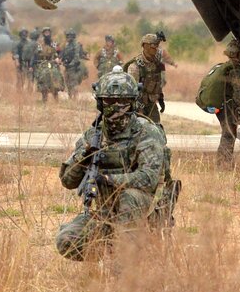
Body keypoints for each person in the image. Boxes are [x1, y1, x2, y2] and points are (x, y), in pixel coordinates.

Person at [55, 67, 175, 261]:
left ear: (133, 102)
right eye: (110, 101)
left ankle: (127, 261)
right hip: (105, 211)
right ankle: (108, 251)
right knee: (67, 241)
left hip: (145, 209)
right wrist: (84, 156)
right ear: (101, 103)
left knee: (129, 196)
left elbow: (149, 179)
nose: (116, 107)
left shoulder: (146, 132)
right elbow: (68, 181)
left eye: (123, 101)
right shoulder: (93, 135)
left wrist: (109, 179)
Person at [212, 40, 240, 167]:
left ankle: (223, 162)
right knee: (229, 135)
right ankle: (224, 163)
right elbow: (238, 94)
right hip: (229, 107)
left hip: (222, 106)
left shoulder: (224, 67)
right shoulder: (236, 71)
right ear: (239, 54)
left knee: (227, 133)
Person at [126, 33, 166, 124]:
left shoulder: (156, 63)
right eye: (153, 46)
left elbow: (158, 83)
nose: (156, 49)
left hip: (151, 105)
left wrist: (161, 99)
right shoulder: (135, 66)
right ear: (145, 46)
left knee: (157, 130)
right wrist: (137, 108)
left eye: (157, 46)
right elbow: (131, 90)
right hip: (138, 106)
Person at [34, 28, 66, 102]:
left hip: (53, 63)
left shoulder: (54, 43)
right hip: (43, 64)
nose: (47, 34)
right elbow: (36, 54)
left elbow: (60, 52)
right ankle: (44, 99)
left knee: (56, 78)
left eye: (48, 32)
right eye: (45, 33)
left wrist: (58, 58)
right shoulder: (40, 44)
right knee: (43, 79)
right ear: (43, 34)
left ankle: (56, 98)